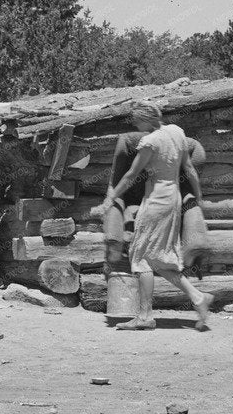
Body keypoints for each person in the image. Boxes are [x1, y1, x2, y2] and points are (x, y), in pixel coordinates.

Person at [91, 101, 213, 331]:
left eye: (137, 121)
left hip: (156, 201)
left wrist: (110, 199)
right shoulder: (177, 132)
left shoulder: (150, 141)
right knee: (157, 258)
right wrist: (197, 195)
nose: (136, 126)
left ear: (145, 119)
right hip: (173, 199)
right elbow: (190, 169)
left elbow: (130, 175)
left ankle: (145, 316)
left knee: (141, 257)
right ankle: (198, 297)